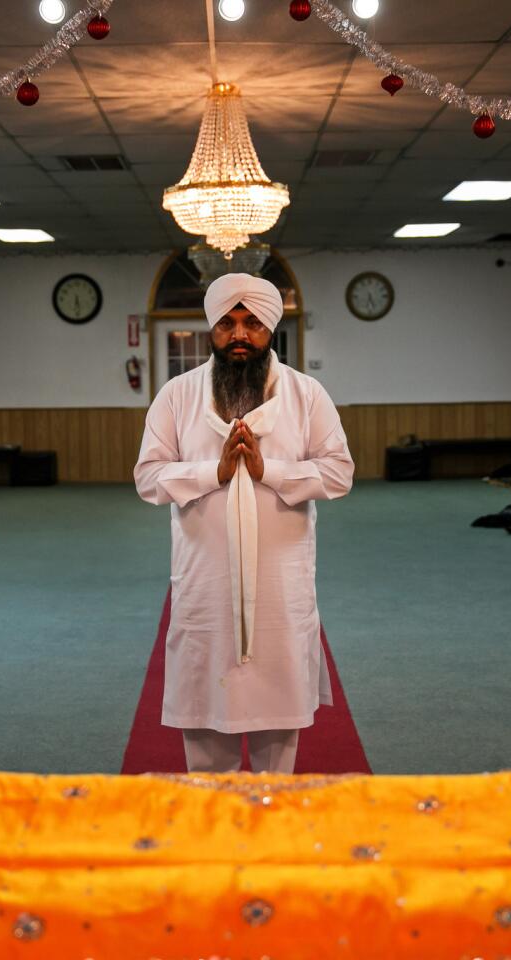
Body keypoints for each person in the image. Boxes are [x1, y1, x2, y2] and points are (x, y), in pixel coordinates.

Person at [134, 273, 354, 775]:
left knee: (281, 724)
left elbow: (339, 472)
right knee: (207, 726)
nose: (239, 334)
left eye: (252, 322)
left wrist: (267, 471)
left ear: (269, 328)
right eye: (228, 323)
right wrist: (212, 472)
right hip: (204, 583)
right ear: (211, 328)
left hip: (282, 583)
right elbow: (148, 479)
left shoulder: (306, 394)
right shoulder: (177, 395)